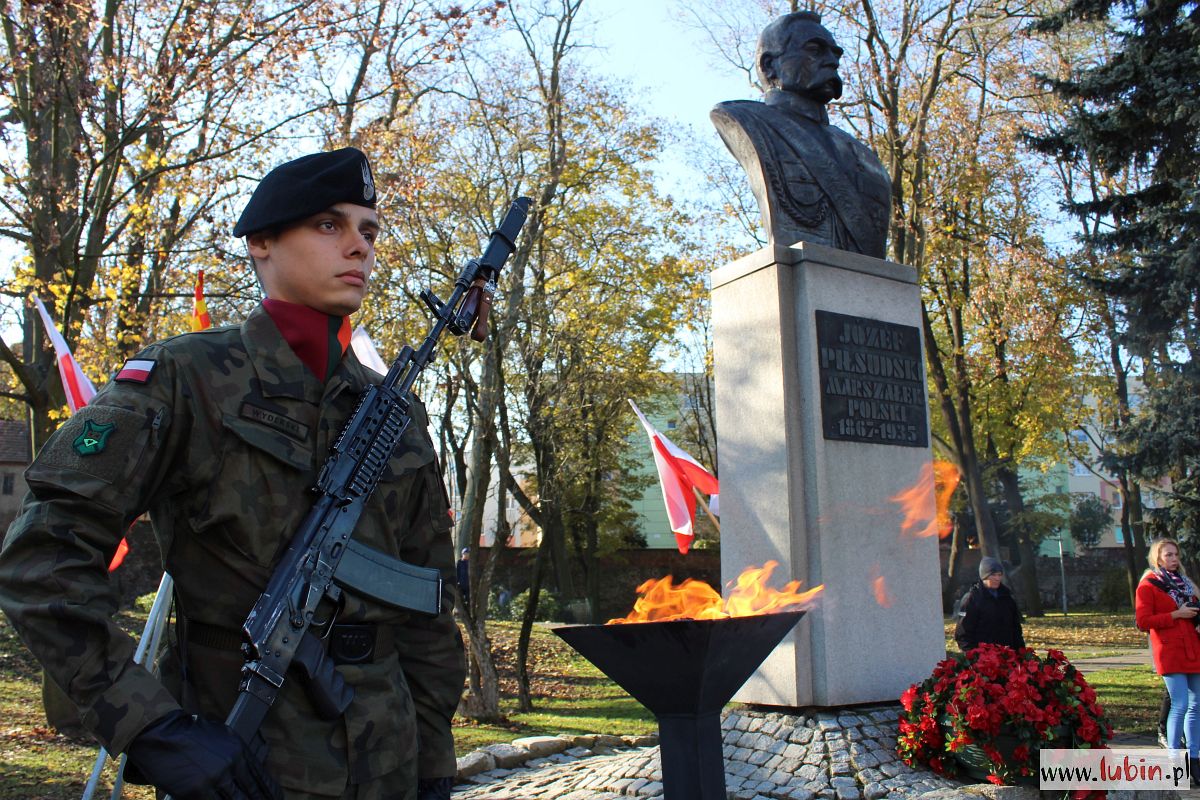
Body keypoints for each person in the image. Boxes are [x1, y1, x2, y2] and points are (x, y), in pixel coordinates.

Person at [0, 148, 465, 800]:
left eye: (368, 230)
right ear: (261, 242)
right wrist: (153, 728)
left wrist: (434, 764)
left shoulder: (396, 412)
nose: (358, 246)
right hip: (243, 762)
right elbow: (41, 564)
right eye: (329, 225)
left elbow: (427, 606)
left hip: (387, 762)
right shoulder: (184, 379)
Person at [710, 11, 892, 258]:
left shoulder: (865, 158)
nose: (833, 61)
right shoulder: (746, 120)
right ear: (769, 65)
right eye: (815, 50)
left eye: (835, 53)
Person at [1136, 538, 1200, 775]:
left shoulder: (1186, 584)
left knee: (1196, 705)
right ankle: (1175, 759)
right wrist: (1176, 614)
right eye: (1168, 555)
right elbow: (1143, 621)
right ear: (1158, 558)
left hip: (1193, 648)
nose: (1174, 559)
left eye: (1176, 554)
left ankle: (1195, 758)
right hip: (1169, 651)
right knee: (1180, 704)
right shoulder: (1148, 585)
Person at [954, 557, 1025, 653]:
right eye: (993, 575)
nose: (997, 578)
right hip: (983, 656)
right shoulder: (972, 599)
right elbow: (963, 632)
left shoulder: (1007, 598)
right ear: (984, 576)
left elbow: (1016, 629)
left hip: (1007, 654)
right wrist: (972, 655)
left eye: (999, 575)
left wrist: (1021, 652)